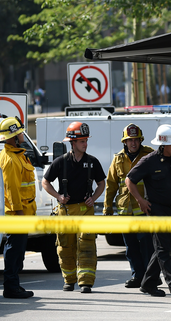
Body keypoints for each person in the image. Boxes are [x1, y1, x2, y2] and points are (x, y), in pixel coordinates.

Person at [126, 124, 171, 299]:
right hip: (157, 210)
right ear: (163, 145)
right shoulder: (149, 161)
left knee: (161, 248)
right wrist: (140, 201)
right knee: (163, 250)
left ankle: (148, 283)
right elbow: (129, 180)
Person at [42, 122, 106, 294]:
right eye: (82, 141)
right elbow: (45, 182)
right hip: (66, 212)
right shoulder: (61, 162)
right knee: (65, 247)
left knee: (87, 247)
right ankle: (69, 280)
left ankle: (86, 282)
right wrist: (59, 197)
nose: (85, 144)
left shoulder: (93, 162)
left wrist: (93, 198)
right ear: (72, 142)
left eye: (86, 141)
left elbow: (101, 183)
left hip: (85, 211)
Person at [103, 123, 156, 289]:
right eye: (129, 140)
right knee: (131, 248)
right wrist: (107, 208)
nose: (133, 143)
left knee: (147, 245)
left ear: (140, 140)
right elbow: (111, 184)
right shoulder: (118, 159)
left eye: (136, 140)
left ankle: (150, 276)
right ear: (124, 142)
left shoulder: (150, 155)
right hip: (125, 211)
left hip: (144, 209)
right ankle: (137, 276)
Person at [0, 117, 36, 299]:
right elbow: (12, 189)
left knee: (18, 251)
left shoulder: (17, 154)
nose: (22, 135)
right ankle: (11, 287)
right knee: (14, 251)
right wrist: (19, 213)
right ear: (13, 137)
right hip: (17, 214)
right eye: (19, 132)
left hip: (23, 213)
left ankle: (14, 285)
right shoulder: (11, 159)